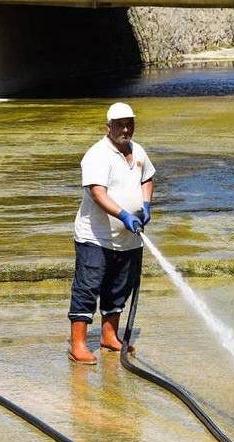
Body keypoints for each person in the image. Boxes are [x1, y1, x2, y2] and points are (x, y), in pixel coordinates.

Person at [67, 102, 155, 365]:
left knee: (119, 287)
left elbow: (147, 178)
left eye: (129, 124)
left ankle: (109, 336)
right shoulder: (97, 155)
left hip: (129, 239)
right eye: (120, 125)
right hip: (96, 237)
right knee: (88, 287)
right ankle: (78, 344)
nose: (125, 129)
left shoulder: (138, 151)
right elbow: (97, 193)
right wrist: (124, 215)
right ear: (109, 127)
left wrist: (146, 204)